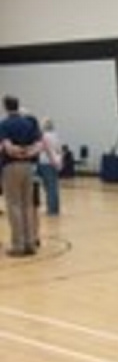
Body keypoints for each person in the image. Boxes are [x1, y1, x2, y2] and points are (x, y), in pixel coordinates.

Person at [0, 95, 42, 256]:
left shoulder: (4, 124)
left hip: (11, 166)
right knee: (28, 205)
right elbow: (39, 145)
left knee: (14, 206)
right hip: (29, 166)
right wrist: (27, 153)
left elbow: (7, 146)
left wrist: (17, 153)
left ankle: (18, 245)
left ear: (5, 106)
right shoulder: (29, 122)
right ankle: (30, 243)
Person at [36, 118, 62, 216]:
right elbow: (59, 150)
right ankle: (55, 209)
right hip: (55, 162)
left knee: (49, 187)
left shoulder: (44, 136)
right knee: (53, 186)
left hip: (46, 162)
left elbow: (40, 148)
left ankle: (51, 210)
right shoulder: (56, 136)